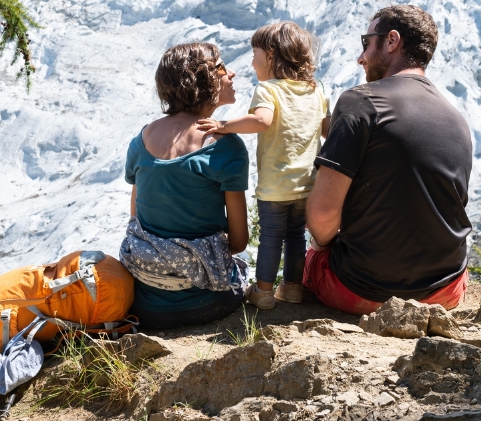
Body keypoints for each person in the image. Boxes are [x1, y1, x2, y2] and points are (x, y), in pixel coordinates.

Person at [304, 5, 473, 314]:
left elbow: (323, 217)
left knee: (314, 255)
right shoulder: (456, 118)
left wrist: (320, 244)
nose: (361, 57)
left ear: (392, 41)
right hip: (446, 290)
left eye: (366, 43)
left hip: (363, 291)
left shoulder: (361, 100)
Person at [198, 21, 330, 309]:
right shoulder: (316, 89)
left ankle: (263, 291)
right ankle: (293, 288)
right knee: (296, 236)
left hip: (275, 186)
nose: (251, 61)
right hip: (308, 184)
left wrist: (224, 124)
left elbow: (262, 121)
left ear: (271, 55)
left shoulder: (268, 90)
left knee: (271, 237)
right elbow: (327, 130)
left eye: (255, 54)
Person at [119, 42, 251, 329]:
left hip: (148, 307)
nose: (232, 73)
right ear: (203, 81)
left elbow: (135, 220)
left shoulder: (142, 139)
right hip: (209, 304)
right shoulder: (226, 148)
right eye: (221, 68)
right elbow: (239, 243)